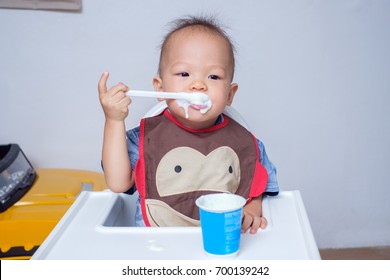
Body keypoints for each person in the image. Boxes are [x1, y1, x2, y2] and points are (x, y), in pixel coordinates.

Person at [98, 15, 279, 234]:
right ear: (160, 88)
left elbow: (255, 187)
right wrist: (114, 120)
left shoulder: (247, 145)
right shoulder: (145, 140)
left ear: (229, 94)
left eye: (213, 76)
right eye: (184, 73)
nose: (198, 85)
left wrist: (252, 207)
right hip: (157, 249)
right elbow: (118, 183)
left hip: (220, 247)